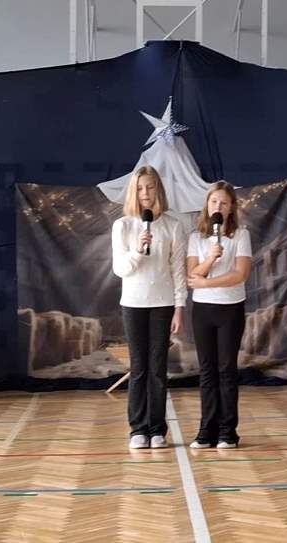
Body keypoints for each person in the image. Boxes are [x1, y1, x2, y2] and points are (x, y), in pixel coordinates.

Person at [112, 165, 187, 449]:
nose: (145, 192)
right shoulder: (123, 226)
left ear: (158, 189)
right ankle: (137, 429)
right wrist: (137, 249)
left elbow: (178, 270)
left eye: (150, 186)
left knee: (157, 368)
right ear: (134, 191)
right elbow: (121, 269)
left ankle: (157, 430)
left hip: (163, 304)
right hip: (133, 304)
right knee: (139, 368)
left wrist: (180, 307)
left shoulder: (172, 226)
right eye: (140, 187)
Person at [187, 181, 252, 449]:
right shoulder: (196, 238)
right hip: (203, 309)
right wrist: (211, 259)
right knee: (207, 371)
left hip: (230, 308)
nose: (218, 207)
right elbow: (192, 275)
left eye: (224, 203)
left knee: (226, 370)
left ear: (231, 207)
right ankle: (206, 430)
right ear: (207, 205)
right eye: (214, 202)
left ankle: (228, 432)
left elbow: (240, 274)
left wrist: (207, 282)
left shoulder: (241, 235)